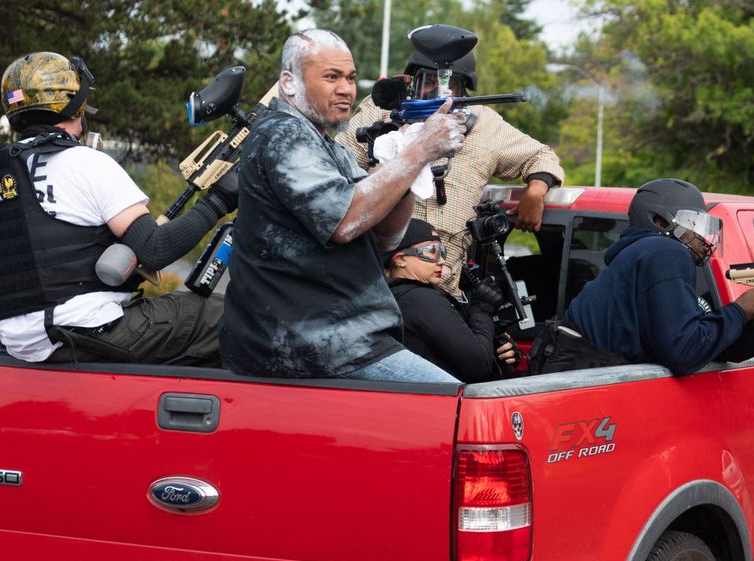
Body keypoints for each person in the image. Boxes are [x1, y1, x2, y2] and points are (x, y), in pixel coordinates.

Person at [0, 51, 235, 365]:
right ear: (75, 104)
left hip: (21, 345)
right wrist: (218, 201)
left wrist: (4, 329)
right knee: (218, 316)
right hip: (87, 332)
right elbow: (154, 249)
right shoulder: (87, 163)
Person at [219, 30, 466, 382]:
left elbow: (383, 237)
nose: (346, 89)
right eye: (331, 77)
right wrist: (419, 151)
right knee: (458, 408)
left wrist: (409, 165)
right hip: (311, 344)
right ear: (289, 83)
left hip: (347, 339)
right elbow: (345, 222)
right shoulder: (283, 134)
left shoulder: (327, 145)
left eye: (350, 78)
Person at [337, 44, 564, 298]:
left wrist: (535, 192)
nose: (438, 90)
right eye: (429, 80)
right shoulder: (382, 110)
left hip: (441, 286)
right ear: (413, 81)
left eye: (450, 83)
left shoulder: (485, 124)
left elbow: (540, 156)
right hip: (373, 278)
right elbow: (336, 163)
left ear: (463, 88)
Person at [552, 178, 754, 376]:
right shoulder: (665, 251)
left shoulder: (642, 256)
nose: (704, 238)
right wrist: (739, 311)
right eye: (695, 225)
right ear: (660, 222)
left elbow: (712, 347)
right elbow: (683, 353)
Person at [384, 219, 516, 382]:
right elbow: (478, 366)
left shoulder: (394, 295)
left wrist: (496, 350)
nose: (441, 261)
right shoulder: (419, 298)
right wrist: (481, 310)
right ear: (400, 259)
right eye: (432, 251)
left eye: (442, 252)